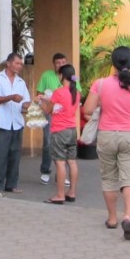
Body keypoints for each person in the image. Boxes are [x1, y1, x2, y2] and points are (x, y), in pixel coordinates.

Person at [83, 46, 130, 241]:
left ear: (112, 63)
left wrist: (103, 109)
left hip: (106, 135)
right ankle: (128, 217)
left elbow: (87, 109)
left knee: (109, 178)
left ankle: (112, 218)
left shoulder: (100, 84)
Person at [35, 64, 80, 204]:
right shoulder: (76, 93)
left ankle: (60, 195)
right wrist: (47, 99)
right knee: (71, 161)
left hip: (59, 130)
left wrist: (40, 102)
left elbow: (48, 110)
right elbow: (60, 104)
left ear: (61, 76)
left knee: (60, 162)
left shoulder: (58, 92)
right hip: (72, 129)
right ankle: (71, 192)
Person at [0, 52, 31, 193]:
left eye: (21, 64)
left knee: (15, 155)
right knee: (1, 155)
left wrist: (32, 105)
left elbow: (25, 102)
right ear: (8, 63)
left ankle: (11, 184)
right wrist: (11, 97)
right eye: (17, 63)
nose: (20, 66)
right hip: (2, 123)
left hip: (17, 123)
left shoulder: (21, 82)